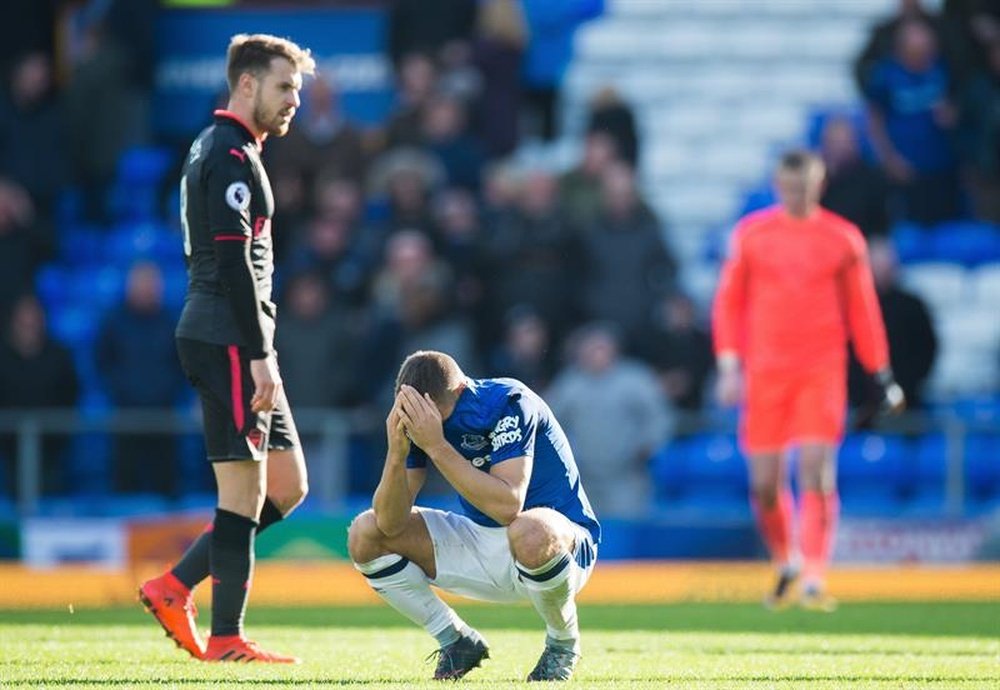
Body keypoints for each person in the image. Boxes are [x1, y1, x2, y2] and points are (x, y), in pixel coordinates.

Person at [137, 34, 315, 663]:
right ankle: (226, 637)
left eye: (297, 88)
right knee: (242, 495)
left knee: (287, 487)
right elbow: (236, 264)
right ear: (246, 84)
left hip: (235, 335)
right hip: (230, 337)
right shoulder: (230, 153)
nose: (295, 100)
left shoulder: (225, 148)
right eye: (284, 87)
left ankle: (173, 584)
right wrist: (261, 352)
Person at [712, 151, 905, 611]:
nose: (796, 195)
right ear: (778, 186)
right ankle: (786, 561)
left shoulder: (842, 238)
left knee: (816, 468)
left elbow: (863, 310)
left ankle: (816, 574)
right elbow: (728, 303)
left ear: (819, 185)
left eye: (804, 187)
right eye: (788, 187)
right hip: (766, 373)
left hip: (821, 368)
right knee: (764, 484)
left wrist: (880, 372)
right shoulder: (753, 234)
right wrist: (728, 366)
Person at [347, 350, 600, 681]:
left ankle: (563, 643)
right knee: (365, 532)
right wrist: (396, 454)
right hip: (483, 541)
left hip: (559, 544)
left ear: (460, 391)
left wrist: (436, 445)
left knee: (529, 529)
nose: (424, 424)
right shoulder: (419, 420)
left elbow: (509, 506)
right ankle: (456, 640)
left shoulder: (509, 401)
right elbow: (390, 523)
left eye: (432, 416)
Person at [547, 323, 671, 517]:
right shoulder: (570, 383)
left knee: (626, 527)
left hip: (627, 476)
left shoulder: (635, 380)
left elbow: (658, 417)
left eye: (602, 348)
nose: (597, 354)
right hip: (582, 476)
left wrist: (648, 445)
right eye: (591, 349)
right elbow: (548, 421)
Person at [95, 262, 187, 497]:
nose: (146, 290)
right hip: (125, 414)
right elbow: (103, 363)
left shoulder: (172, 322)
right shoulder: (113, 323)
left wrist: (169, 390)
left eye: (151, 284)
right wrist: (120, 390)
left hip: (164, 415)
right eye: (141, 284)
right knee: (126, 483)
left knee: (166, 482)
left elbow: (183, 365)